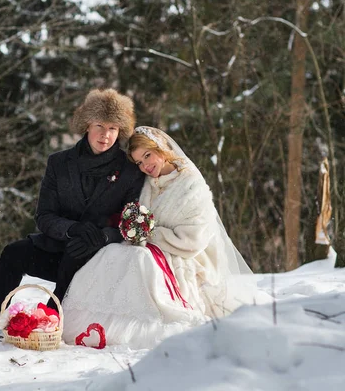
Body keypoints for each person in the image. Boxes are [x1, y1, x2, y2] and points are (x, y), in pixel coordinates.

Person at [61, 126, 260, 349]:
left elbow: (192, 240)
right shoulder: (147, 182)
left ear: (161, 148)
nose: (145, 166)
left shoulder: (192, 185)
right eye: (138, 162)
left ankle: (135, 327)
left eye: (147, 155)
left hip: (184, 256)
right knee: (111, 253)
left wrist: (149, 232)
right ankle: (90, 319)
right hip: (147, 247)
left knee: (139, 260)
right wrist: (134, 228)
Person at [0, 89, 146, 331]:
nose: (105, 135)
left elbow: (132, 222)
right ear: (87, 125)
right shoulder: (59, 163)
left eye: (113, 128)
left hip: (97, 259)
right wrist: (73, 229)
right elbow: (43, 216)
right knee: (13, 253)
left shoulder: (129, 171)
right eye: (99, 125)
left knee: (77, 254)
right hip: (57, 247)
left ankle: (48, 320)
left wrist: (103, 236)